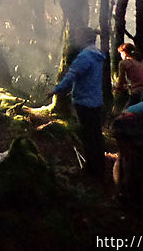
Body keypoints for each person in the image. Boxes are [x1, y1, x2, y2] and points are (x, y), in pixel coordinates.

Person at [47, 27, 106, 178]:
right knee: (96, 135)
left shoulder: (85, 56)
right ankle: (99, 168)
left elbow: (71, 75)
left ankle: (91, 170)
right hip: (97, 101)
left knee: (88, 135)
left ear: (85, 39)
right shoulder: (98, 56)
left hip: (84, 102)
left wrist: (56, 90)